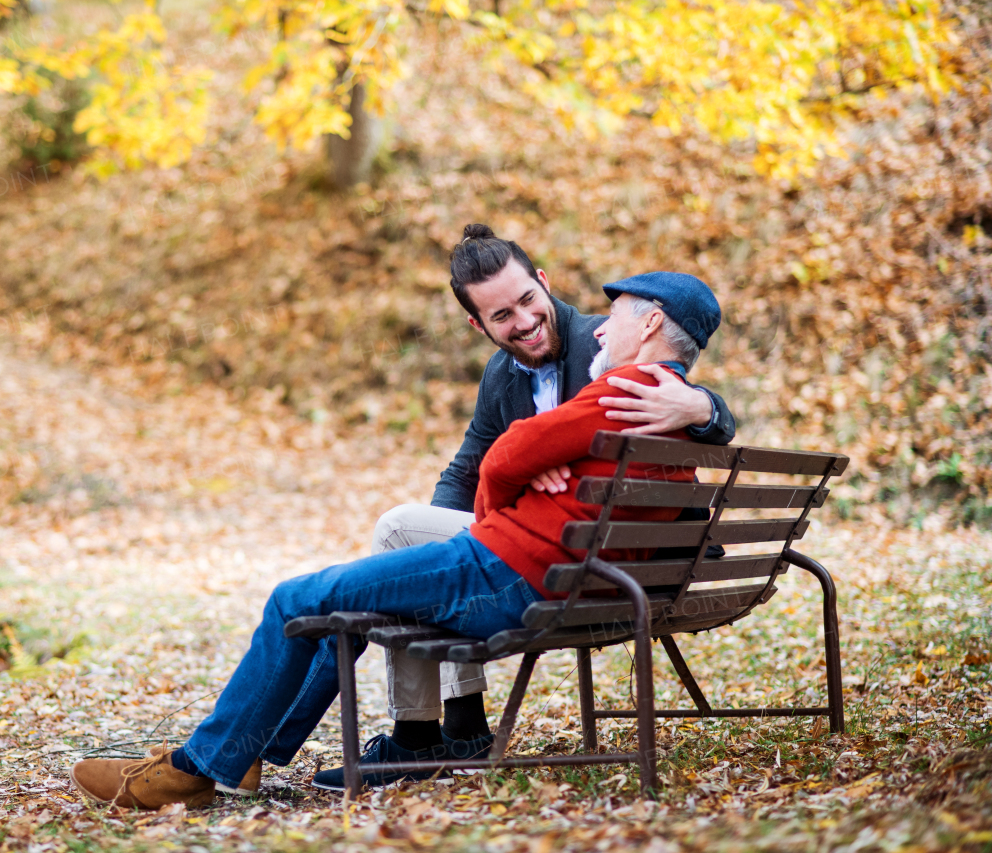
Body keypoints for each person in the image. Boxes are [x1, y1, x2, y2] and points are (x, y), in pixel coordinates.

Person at [67, 266, 724, 810]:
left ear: (652, 324)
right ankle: (231, 756)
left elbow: (502, 457)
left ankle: (189, 771)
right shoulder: (671, 410)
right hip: (557, 578)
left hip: (500, 572)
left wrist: (507, 500)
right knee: (341, 593)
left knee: (294, 598)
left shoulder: (623, 390)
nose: (602, 327)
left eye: (619, 316)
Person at [311, 224, 735, 790]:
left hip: (595, 557)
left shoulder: (606, 342)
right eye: (502, 316)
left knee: (399, 533)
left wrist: (700, 404)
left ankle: (427, 735)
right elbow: (466, 468)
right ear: (479, 325)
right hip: (565, 547)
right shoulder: (501, 375)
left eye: (528, 301)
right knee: (430, 542)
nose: (524, 321)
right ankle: (457, 732)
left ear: (544, 282)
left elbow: (691, 397)